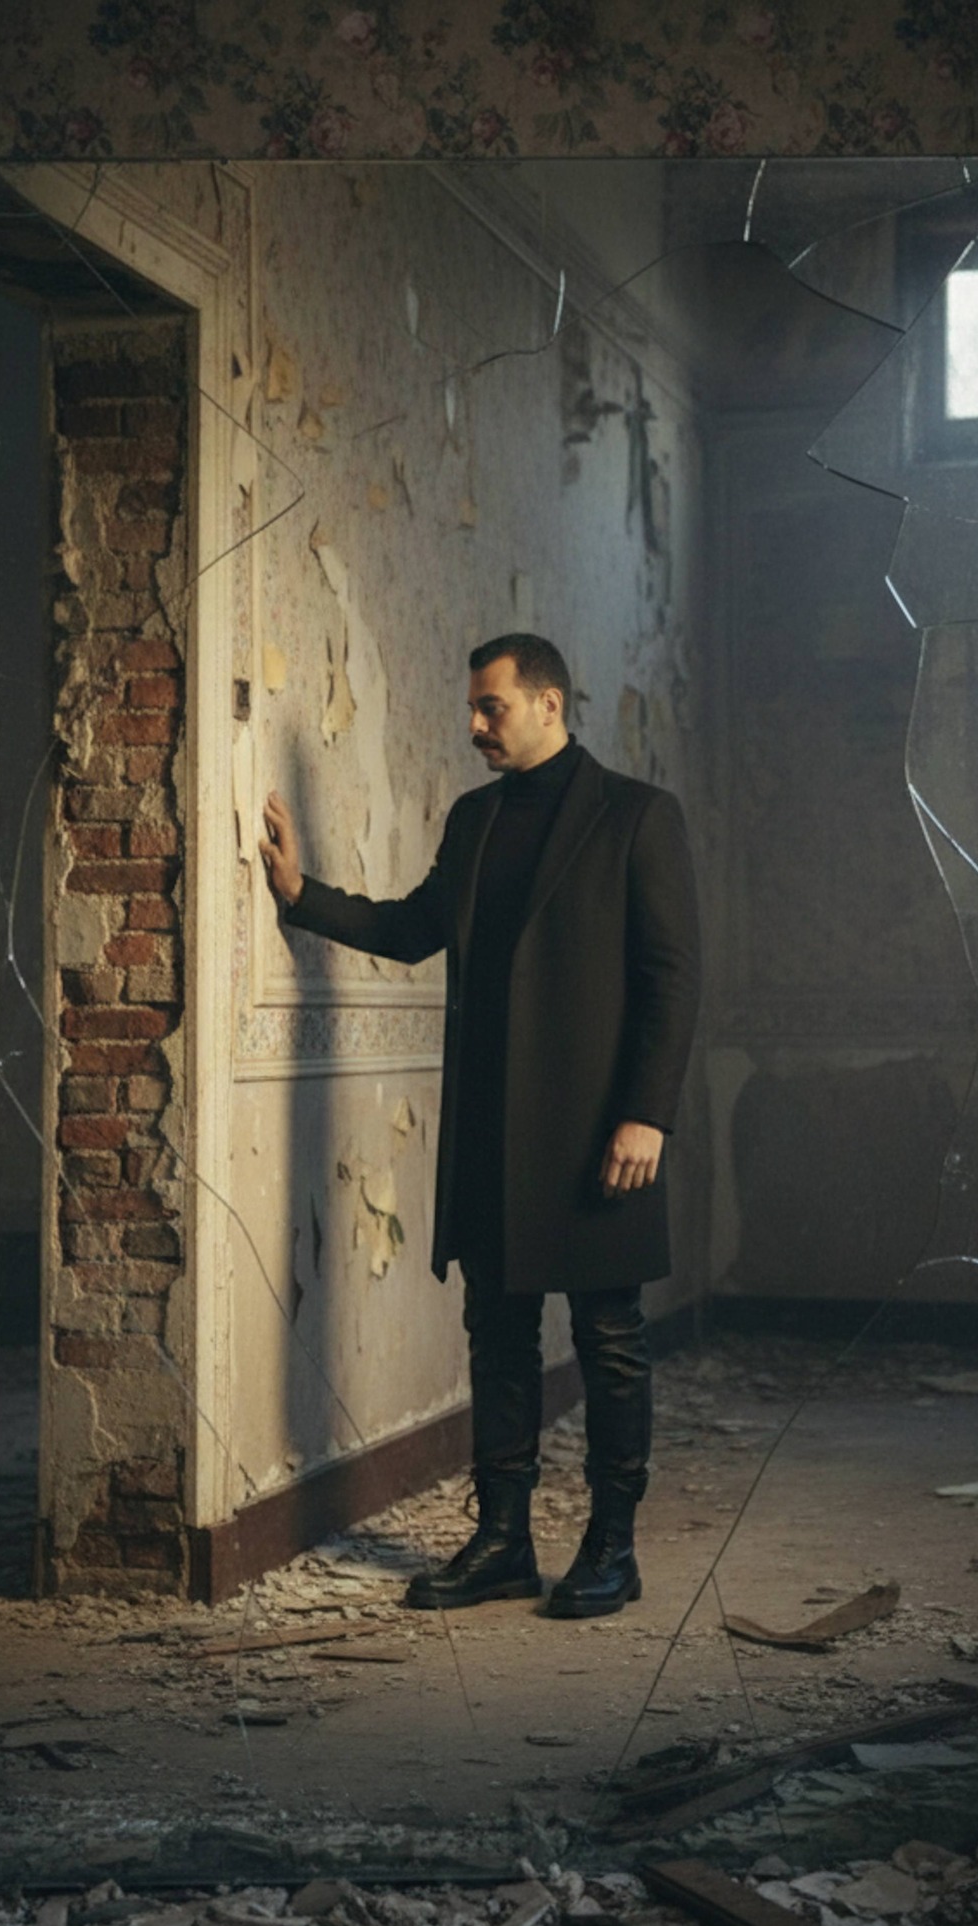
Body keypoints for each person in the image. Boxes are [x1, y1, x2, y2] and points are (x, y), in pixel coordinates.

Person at [260, 633, 700, 1618]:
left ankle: (611, 1547)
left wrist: (647, 1113)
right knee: (497, 1335)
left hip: (600, 1131)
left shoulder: (637, 815)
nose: (472, 725)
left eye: (489, 707)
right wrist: (302, 897)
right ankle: (501, 1539)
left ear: (548, 702)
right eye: (472, 706)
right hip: (492, 1132)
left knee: (609, 1337)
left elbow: (672, 977)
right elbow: (418, 927)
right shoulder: (475, 819)